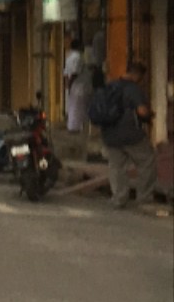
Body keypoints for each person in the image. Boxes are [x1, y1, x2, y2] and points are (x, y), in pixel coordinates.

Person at [98, 61, 157, 211]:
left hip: (109, 133)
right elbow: (142, 111)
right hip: (130, 134)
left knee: (117, 167)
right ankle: (144, 198)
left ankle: (118, 198)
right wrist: (151, 114)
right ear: (137, 75)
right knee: (147, 161)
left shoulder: (110, 86)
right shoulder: (133, 89)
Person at [62, 38, 90, 133]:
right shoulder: (78, 57)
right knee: (79, 107)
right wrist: (70, 83)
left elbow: (66, 73)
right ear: (79, 46)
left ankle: (73, 127)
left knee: (73, 106)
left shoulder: (69, 56)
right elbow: (75, 73)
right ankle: (76, 127)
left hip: (74, 85)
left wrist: (67, 85)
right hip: (79, 84)